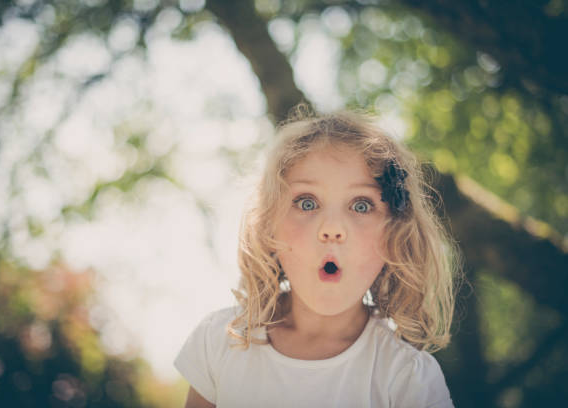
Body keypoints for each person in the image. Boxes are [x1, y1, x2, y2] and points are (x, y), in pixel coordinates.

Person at [174, 107, 461, 407]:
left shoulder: (407, 379)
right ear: (269, 225)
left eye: (361, 206)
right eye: (308, 203)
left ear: (395, 237)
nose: (332, 229)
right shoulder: (220, 342)